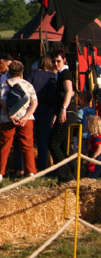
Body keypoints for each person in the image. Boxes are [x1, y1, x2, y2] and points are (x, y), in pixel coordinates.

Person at [0, 60, 38, 181]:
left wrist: (10, 115)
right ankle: (30, 172)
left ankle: (0, 173)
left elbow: (2, 101)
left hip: (8, 119)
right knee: (27, 145)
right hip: (26, 118)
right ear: (21, 71)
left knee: (5, 145)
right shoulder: (28, 85)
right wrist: (25, 117)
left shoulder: (5, 84)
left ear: (9, 71)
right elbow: (34, 102)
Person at [49, 50, 76, 183]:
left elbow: (69, 91)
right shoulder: (59, 75)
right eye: (53, 61)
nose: (55, 64)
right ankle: (74, 174)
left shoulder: (65, 73)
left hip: (68, 113)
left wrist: (63, 109)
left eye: (58, 61)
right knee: (65, 147)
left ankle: (66, 176)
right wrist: (56, 113)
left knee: (53, 144)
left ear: (64, 60)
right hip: (65, 113)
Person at [29, 55, 57, 172]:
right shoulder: (52, 77)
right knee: (43, 142)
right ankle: (43, 168)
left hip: (32, 110)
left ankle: (27, 167)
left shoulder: (33, 74)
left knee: (28, 141)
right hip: (47, 111)